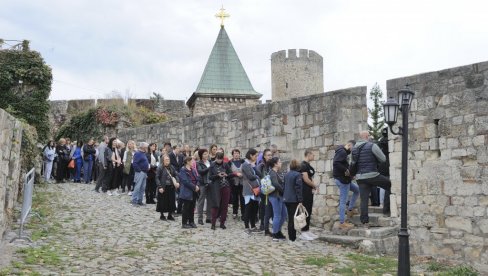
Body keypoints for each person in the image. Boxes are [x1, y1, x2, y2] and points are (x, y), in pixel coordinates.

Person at [350, 131, 391, 227]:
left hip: (360, 177)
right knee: (389, 185)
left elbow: (352, 162)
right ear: (366, 136)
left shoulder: (354, 148)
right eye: (369, 135)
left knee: (364, 200)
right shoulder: (372, 145)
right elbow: (383, 159)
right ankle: (386, 211)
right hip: (372, 175)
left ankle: (365, 223)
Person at [333, 140, 359, 230]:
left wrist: (351, 175)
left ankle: (350, 209)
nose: (353, 150)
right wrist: (346, 170)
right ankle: (342, 222)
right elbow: (336, 163)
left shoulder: (343, 152)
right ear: (349, 145)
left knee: (357, 190)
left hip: (345, 179)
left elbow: (341, 163)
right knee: (343, 200)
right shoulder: (342, 152)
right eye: (353, 148)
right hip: (342, 180)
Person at [208, 152, 237, 230]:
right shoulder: (212, 165)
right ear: (215, 158)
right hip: (216, 187)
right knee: (215, 205)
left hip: (225, 186)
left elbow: (231, 174)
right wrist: (218, 175)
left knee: (225, 205)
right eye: (218, 159)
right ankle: (213, 223)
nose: (219, 160)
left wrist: (227, 175)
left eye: (220, 159)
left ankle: (222, 223)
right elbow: (210, 177)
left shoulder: (225, 164)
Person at [283, 159, 304, 242]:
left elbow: (284, 186)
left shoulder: (286, 174)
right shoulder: (298, 175)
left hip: (286, 198)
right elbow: (298, 188)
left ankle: (291, 236)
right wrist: (300, 200)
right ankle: (292, 237)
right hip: (293, 199)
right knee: (293, 219)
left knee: (290, 218)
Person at [300, 149, 318, 240]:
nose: (314, 157)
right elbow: (306, 179)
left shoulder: (308, 165)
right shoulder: (303, 165)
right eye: (313, 155)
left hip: (309, 190)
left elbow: (310, 177)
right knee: (305, 210)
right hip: (304, 191)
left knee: (309, 210)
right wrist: (314, 185)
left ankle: (307, 230)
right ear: (308, 154)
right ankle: (303, 231)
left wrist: (313, 187)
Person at [267, 157, 287, 241]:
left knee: (284, 215)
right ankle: (275, 233)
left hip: (280, 196)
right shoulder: (272, 172)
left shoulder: (278, 172)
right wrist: (284, 191)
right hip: (275, 196)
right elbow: (275, 184)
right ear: (275, 164)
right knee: (277, 215)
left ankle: (278, 231)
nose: (281, 163)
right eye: (279, 161)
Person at [241, 148, 261, 232]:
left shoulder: (251, 164)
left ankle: (253, 226)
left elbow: (259, 173)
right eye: (255, 156)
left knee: (254, 209)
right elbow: (251, 176)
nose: (256, 157)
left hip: (255, 189)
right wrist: (257, 176)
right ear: (250, 155)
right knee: (248, 208)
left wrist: (254, 167)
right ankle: (246, 227)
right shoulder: (245, 165)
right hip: (249, 189)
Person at [178, 157, 200, 229]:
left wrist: (197, 185)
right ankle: (184, 223)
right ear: (187, 162)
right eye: (192, 161)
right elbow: (185, 181)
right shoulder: (183, 170)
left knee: (192, 207)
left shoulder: (193, 170)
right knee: (186, 207)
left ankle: (191, 221)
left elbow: (197, 178)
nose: (193, 163)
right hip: (187, 191)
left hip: (194, 191)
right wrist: (194, 187)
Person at [156, 155, 179, 221]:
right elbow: (157, 178)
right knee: (162, 201)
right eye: (166, 160)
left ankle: (170, 215)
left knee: (171, 201)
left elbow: (175, 175)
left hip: (171, 186)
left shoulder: (172, 167)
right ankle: (162, 215)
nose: (167, 161)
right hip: (163, 187)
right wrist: (159, 186)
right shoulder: (160, 168)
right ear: (163, 160)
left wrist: (177, 182)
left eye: (168, 160)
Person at [256, 149, 273, 234]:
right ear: (264, 156)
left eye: (271, 155)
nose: (270, 157)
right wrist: (264, 181)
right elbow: (258, 175)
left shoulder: (272, 165)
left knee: (269, 207)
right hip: (264, 189)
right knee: (263, 207)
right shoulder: (261, 165)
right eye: (268, 155)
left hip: (271, 189)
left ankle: (267, 223)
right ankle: (262, 224)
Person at [196, 149, 211, 225]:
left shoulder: (210, 162)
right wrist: (209, 168)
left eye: (207, 154)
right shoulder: (198, 163)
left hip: (210, 183)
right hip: (202, 183)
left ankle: (208, 217)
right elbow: (200, 172)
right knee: (201, 201)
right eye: (204, 154)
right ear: (201, 155)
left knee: (209, 200)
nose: (206, 155)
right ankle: (200, 218)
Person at [229, 149, 245, 220]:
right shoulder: (230, 162)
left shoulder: (243, 162)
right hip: (234, 183)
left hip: (242, 182)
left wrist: (242, 174)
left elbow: (246, 170)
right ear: (232, 154)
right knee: (235, 198)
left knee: (242, 198)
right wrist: (235, 174)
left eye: (238, 153)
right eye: (235, 153)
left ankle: (243, 213)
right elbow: (228, 173)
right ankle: (234, 212)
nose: (236, 154)